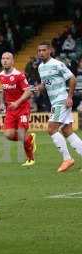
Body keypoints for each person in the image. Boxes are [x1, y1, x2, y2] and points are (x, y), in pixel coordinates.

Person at [37, 41, 82, 172]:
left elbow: (72, 78)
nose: (41, 53)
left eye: (43, 50)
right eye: (39, 51)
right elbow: (45, 83)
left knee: (51, 129)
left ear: (50, 50)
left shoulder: (57, 64)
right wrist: (37, 88)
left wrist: (69, 97)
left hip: (61, 100)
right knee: (67, 131)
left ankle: (67, 158)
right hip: (55, 101)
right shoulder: (40, 67)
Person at [0, 52, 36, 167]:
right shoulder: (0, 75)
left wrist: (17, 102)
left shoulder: (19, 75)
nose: (5, 60)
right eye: (3, 58)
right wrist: (1, 103)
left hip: (22, 108)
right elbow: (3, 90)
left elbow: (28, 91)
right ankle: (30, 138)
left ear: (12, 61)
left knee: (21, 134)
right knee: (8, 135)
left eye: (7, 58)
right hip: (10, 109)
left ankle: (30, 159)